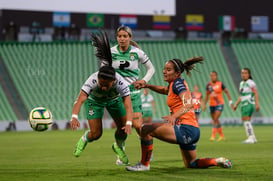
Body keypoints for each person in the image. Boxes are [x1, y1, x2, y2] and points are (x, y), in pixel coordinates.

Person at [126, 57, 232, 171]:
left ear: (177, 73)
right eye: (164, 69)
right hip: (193, 130)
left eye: (168, 70)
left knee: (146, 129)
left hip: (185, 128)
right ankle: (217, 161)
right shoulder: (174, 84)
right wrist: (147, 86)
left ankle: (144, 164)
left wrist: (173, 116)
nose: (164, 71)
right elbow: (165, 90)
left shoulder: (177, 84)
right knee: (191, 164)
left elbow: (189, 104)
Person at [70, 31, 133, 165]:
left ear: (113, 81)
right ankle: (85, 139)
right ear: (97, 79)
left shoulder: (120, 82)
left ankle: (118, 146)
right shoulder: (92, 80)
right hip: (95, 102)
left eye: (107, 85)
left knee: (123, 130)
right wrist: (74, 116)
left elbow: (128, 104)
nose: (103, 87)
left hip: (114, 100)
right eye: (101, 84)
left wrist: (129, 123)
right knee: (96, 134)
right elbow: (80, 99)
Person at [101, 26, 155, 165]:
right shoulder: (110, 52)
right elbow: (103, 70)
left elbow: (151, 69)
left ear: (130, 38)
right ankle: (120, 151)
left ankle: (147, 152)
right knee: (122, 127)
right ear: (117, 37)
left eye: (125, 36)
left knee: (138, 125)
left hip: (133, 93)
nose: (122, 39)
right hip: (117, 94)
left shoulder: (138, 52)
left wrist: (143, 81)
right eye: (120, 36)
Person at [203, 71, 234, 141]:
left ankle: (213, 136)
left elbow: (227, 92)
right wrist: (204, 104)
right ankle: (222, 136)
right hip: (211, 104)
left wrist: (230, 102)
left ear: (216, 76)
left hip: (219, 104)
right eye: (211, 75)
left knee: (215, 119)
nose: (212, 77)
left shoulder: (221, 84)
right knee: (216, 120)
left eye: (214, 75)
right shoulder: (208, 85)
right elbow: (207, 95)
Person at [233, 68, 259, 144]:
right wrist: (236, 105)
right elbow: (241, 96)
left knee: (246, 119)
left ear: (249, 74)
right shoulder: (241, 83)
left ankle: (250, 138)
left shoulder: (251, 83)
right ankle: (252, 137)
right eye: (242, 73)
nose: (243, 75)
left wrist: (257, 104)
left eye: (245, 73)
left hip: (248, 103)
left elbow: (256, 93)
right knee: (245, 120)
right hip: (243, 103)